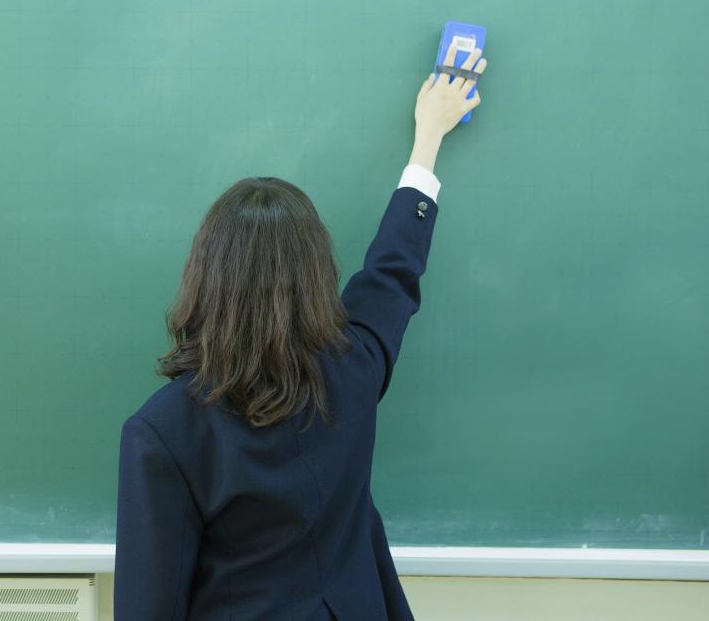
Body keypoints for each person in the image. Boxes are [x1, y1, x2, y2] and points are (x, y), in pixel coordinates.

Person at [114, 46, 487, 620]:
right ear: (317, 275)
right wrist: (427, 140)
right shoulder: (352, 372)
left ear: (205, 279)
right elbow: (390, 276)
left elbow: (149, 608)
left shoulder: (163, 430)